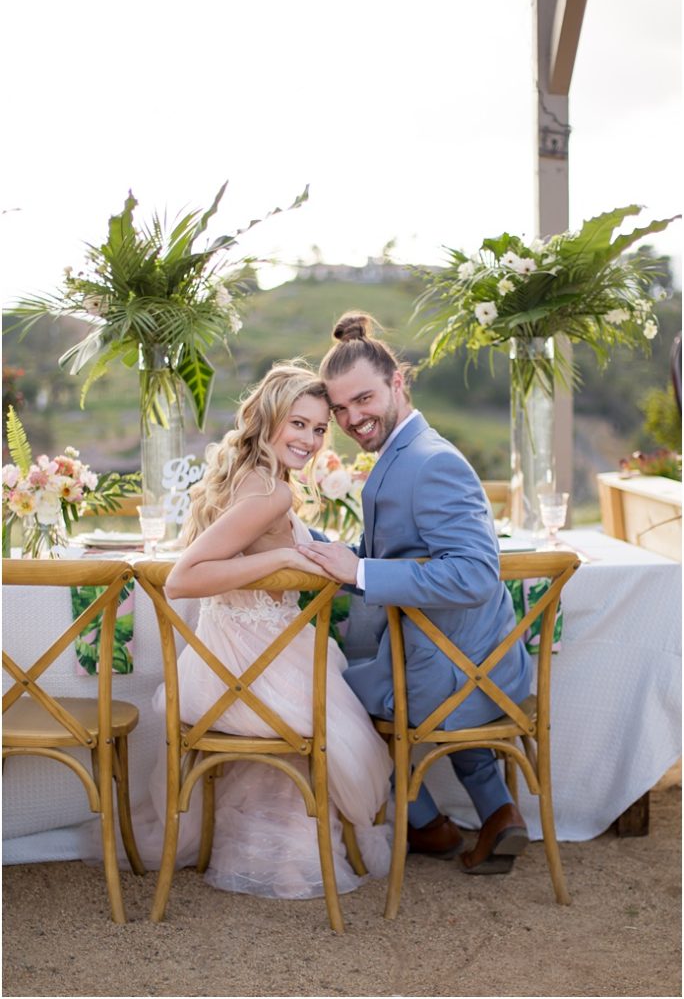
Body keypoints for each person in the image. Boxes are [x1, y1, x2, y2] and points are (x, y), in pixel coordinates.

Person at [130, 361, 393, 899]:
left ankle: (273, 854)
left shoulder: (254, 478)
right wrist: (287, 562)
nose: (311, 440)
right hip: (249, 671)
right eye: (299, 424)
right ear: (268, 420)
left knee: (331, 713)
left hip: (227, 668)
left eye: (319, 429)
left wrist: (300, 555)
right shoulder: (270, 492)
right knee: (348, 737)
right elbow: (183, 578)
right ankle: (291, 861)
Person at [298, 313, 531, 875]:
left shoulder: (432, 462)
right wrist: (314, 544)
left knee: (321, 699)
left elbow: (475, 574)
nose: (354, 418)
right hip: (471, 665)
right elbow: (399, 548)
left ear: (398, 383)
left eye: (365, 400)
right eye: (341, 410)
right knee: (369, 673)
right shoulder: (407, 453)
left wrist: (360, 575)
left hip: (459, 674)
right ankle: (499, 813)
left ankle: (425, 823)